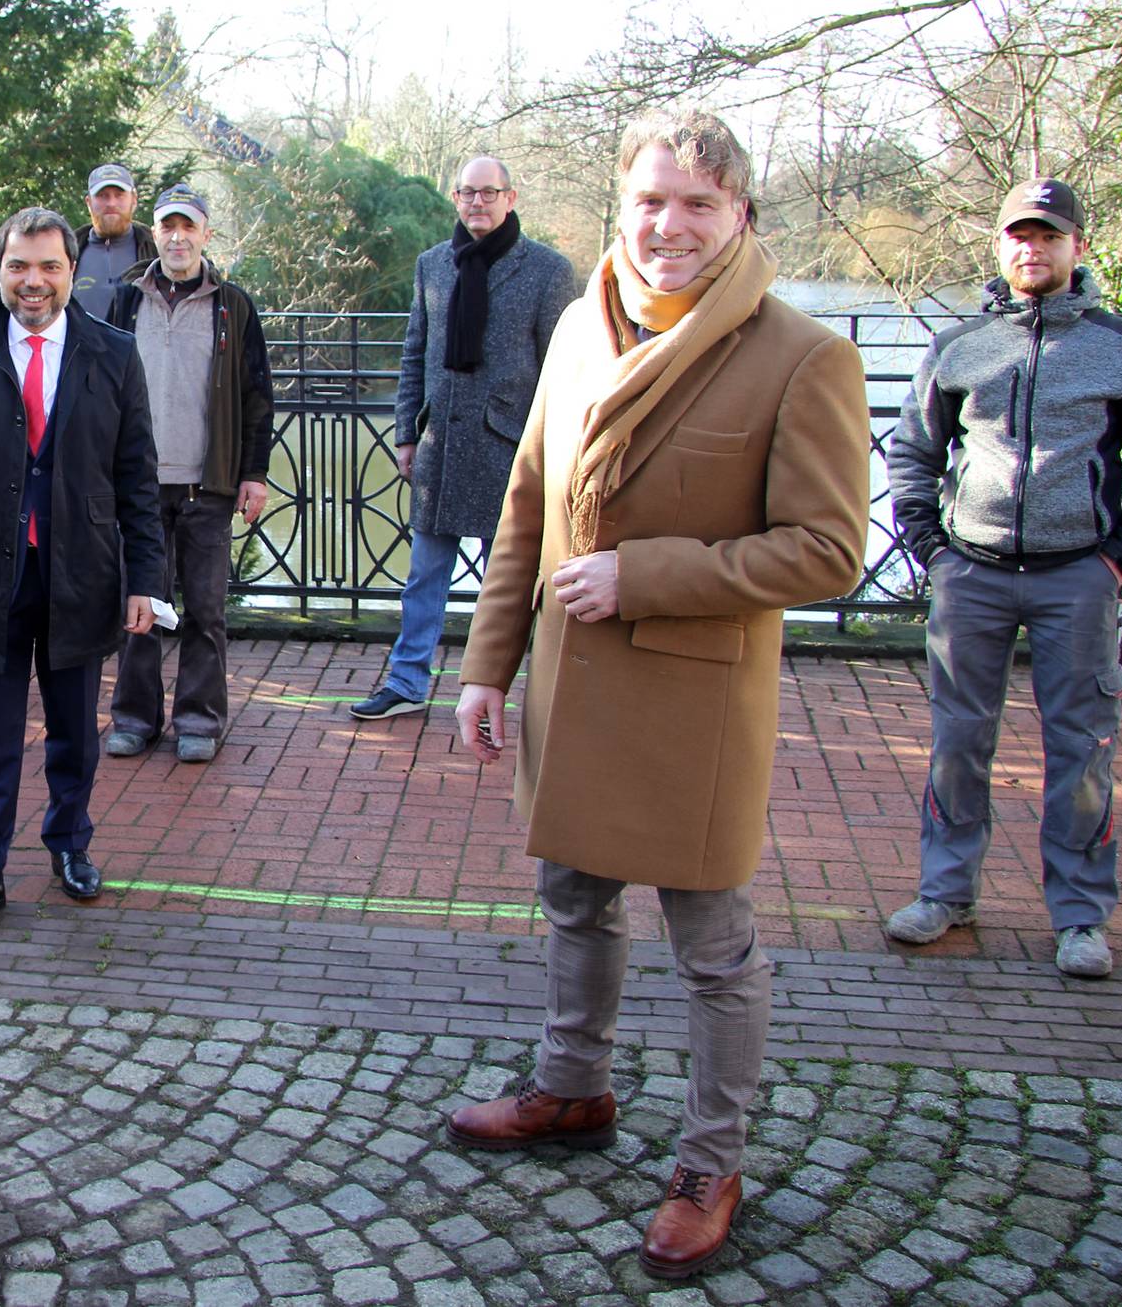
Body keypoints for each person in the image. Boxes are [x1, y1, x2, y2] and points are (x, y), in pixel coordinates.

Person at [446, 111, 870, 1279]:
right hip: (573, 686)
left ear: (741, 215)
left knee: (713, 949)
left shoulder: (802, 355)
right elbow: (527, 502)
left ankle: (710, 1161)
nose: (669, 224)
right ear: (619, 208)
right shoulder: (582, 325)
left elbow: (829, 550)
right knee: (573, 896)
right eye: (650, 200)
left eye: (698, 203)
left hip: (694, 702)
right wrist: (485, 665)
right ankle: (573, 1087)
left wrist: (647, 575)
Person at [883, 177, 1122, 979]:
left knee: (1082, 748)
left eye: (1050, 235)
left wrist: (1119, 553)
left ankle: (1081, 917)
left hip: (1078, 577)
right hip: (972, 573)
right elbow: (913, 449)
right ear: (1000, 245)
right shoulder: (960, 347)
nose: (1033, 248)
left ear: (1077, 247)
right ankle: (945, 893)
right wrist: (930, 544)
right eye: (1020, 235)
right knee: (959, 741)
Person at [0, 207, 165, 935]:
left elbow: (136, 477)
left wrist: (146, 579)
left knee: (75, 732)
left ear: (72, 271)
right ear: (1, 269)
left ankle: (69, 845)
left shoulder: (113, 353)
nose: (33, 281)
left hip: (81, 572)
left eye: (49, 266)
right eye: (19, 265)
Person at [350, 156, 578, 719]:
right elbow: (414, 354)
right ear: (455, 198)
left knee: (514, 582)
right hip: (440, 448)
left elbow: (562, 369)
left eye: (488, 192)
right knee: (423, 577)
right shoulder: (433, 264)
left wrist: (553, 454)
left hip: (511, 450)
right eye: (467, 192)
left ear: (510, 198)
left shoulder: (547, 270)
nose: (477, 202)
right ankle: (406, 683)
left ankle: (521, 687)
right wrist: (407, 434)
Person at [101, 184, 273, 763]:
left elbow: (256, 397)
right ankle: (134, 717)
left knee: (204, 610)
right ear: (155, 233)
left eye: (188, 227)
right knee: (140, 607)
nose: (178, 238)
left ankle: (199, 719)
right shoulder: (127, 301)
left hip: (208, 483)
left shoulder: (233, 306)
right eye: (168, 227)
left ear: (205, 235)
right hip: (139, 486)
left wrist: (253, 473)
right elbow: (100, 388)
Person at [71, 163, 156, 318]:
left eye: (119, 195)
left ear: (134, 200)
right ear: (89, 202)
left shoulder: (155, 251)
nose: (111, 203)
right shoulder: (67, 253)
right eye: (102, 195)